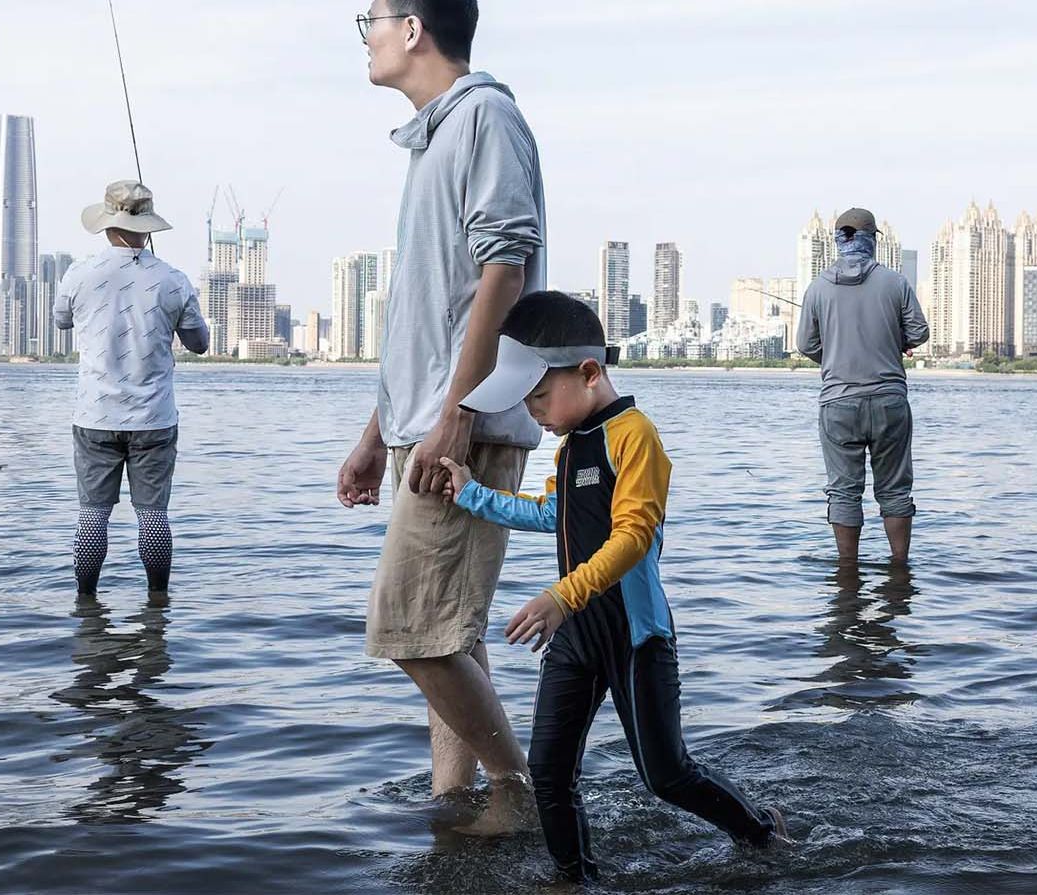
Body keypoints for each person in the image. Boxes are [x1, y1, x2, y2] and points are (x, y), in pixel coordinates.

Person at [436, 291, 789, 882]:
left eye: (539, 396)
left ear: (589, 372)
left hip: (635, 638)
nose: (534, 413)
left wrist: (560, 596)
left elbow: (632, 537)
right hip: (576, 637)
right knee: (549, 773)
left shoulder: (634, 436)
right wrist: (471, 494)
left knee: (666, 775)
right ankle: (574, 880)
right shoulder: (571, 446)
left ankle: (761, 832)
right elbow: (553, 514)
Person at [338, 0, 547, 830]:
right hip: (424, 428)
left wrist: (459, 411)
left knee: (409, 629)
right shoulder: (435, 137)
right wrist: (375, 434)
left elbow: (506, 266)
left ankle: (520, 793)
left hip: (465, 432)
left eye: (371, 19)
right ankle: (456, 808)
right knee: (449, 633)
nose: (366, 36)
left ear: (413, 29)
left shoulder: (486, 117)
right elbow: (425, 322)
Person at [55, 180, 209, 597]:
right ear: (149, 226)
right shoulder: (173, 279)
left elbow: (61, 321)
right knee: (153, 516)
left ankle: (86, 605)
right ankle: (158, 604)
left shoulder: (79, 273)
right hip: (154, 419)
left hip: (95, 416)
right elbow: (199, 343)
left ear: (107, 223)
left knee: (92, 516)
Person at [796, 207, 930, 565]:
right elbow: (919, 332)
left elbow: (806, 344)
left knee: (843, 492)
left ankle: (847, 571)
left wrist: (835, 356)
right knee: (895, 490)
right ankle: (899, 567)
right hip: (889, 402)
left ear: (838, 240)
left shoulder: (817, 287)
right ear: (873, 240)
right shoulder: (895, 282)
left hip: (838, 404)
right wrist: (896, 342)